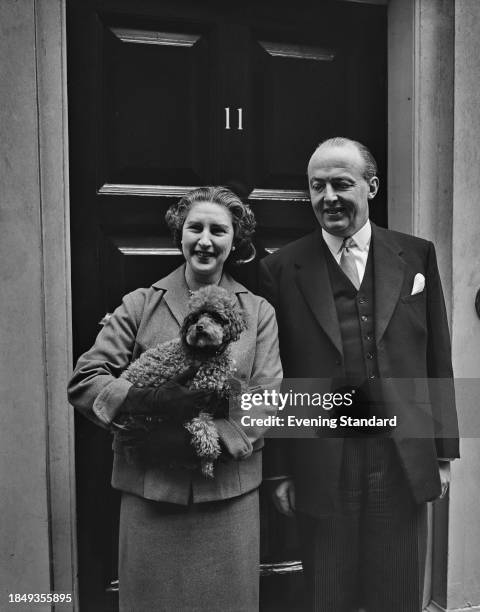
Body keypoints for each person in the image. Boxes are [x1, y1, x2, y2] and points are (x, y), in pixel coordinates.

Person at [259, 137, 459, 612]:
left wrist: (443, 452)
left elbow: (437, 360)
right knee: (327, 591)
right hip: (323, 457)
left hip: (401, 453)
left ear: (371, 186)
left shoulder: (416, 256)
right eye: (316, 186)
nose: (327, 197)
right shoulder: (280, 267)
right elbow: (272, 378)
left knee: (397, 588)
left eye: (340, 184)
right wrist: (280, 471)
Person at [68, 186, 282, 611]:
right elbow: (85, 379)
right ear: (179, 235)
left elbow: (267, 399)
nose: (205, 239)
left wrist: (207, 439)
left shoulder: (257, 312)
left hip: (227, 498)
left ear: (234, 240)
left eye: (218, 230)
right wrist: (148, 402)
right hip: (151, 494)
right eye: (194, 228)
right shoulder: (139, 304)